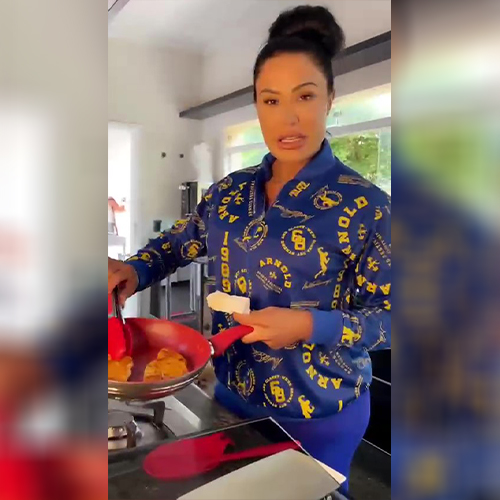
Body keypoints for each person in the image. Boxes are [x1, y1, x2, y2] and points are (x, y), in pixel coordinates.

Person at [108, 5, 391, 492]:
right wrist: (133, 271)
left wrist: (309, 325)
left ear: (330, 98)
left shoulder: (367, 205)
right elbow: (174, 245)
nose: (289, 117)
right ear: (257, 105)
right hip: (232, 400)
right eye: (271, 100)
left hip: (320, 412)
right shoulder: (230, 193)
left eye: (305, 95)